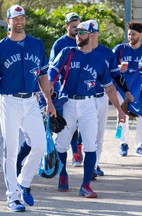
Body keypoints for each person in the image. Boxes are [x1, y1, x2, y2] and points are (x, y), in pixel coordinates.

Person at [0, 5, 56, 212]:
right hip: (9, 101)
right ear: (8, 21)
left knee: (40, 145)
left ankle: (23, 182)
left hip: (31, 101)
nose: (19, 21)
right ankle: (12, 197)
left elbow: (42, 75)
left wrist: (48, 101)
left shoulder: (36, 45)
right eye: (15, 18)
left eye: (22, 17)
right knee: (11, 150)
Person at [48, 20, 126, 198]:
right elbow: (53, 71)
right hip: (67, 102)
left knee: (90, 145)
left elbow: (109, 87)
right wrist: (50, 86)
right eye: (76, 32)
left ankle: (85, 185)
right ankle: (62, 175)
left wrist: (120, 111)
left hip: (89, 104)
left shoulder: (99, 60)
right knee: (61, 143)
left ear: (91, 35)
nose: (77, 35)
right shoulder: (67, 52)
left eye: (82, 32)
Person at [87, 20, 134, 179]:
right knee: (88, 135)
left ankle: (93, 166)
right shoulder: (77, 50)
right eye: (89, 32)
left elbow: (116, 75)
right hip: (83, 99)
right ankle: (85, 162)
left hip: (102, 97)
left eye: (94, 32)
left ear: (98, 33)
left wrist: (126, 91)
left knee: (99, 135)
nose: (92, 35)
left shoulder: (107, 53)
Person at [49, 12, 83, 167]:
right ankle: (59, 154)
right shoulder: (60, 43)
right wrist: (53, 89)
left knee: (80, 124)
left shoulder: (84, 40)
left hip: (81, 89)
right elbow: (52, 68)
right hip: (64, 90)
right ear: (67, 26)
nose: (76, 29)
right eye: (73, 26)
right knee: (65, 125)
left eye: (79, 25)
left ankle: (76, 151)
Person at [112, 21, 142, 157]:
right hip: (122, 88)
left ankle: (140, 144)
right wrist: (119, 68)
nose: (131, 37)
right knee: (122, 115)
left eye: (134, 34)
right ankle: (123, 143)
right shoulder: (120, 48)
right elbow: (110, 65)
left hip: (139, 88)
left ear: (141, 35)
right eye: (129, 34)